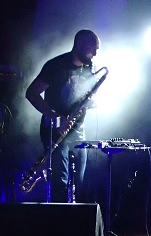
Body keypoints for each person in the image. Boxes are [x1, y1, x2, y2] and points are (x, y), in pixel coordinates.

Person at [25, 29, 100, 203]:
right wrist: (53, 115)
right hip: (56, 131)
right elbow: (31, 93)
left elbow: (88, 98)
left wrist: (92, 102)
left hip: (78, 131)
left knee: (79, 183)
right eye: (92, 49)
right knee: (60, 182)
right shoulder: (56, 66)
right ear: (79, 44)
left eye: (97, 50)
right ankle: (58, 218)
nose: (95, 54)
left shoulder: (90, 69)